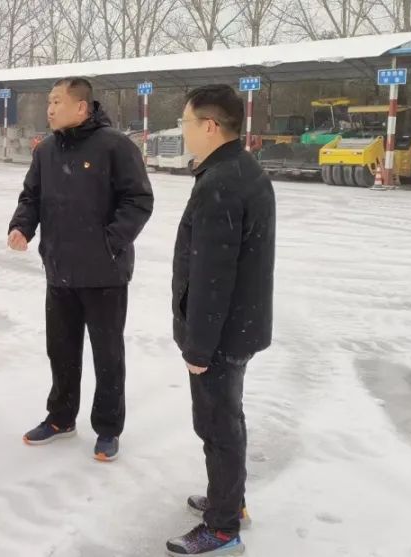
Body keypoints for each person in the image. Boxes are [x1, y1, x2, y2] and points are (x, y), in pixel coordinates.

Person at [8, 77, 153, 462]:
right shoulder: (46, 150)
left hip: (105, 274)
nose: (50, 108)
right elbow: (31, 196)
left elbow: (138, 199)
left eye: (57, 101)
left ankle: (108, 428)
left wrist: (109, 242)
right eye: (49, 101)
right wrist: (22, 227)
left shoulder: (115, 146)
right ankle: (60, 418)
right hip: (59, 271)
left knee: (108, 356)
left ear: (82, 107)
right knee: (61, 351)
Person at [165, 85, 276, 555]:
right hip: (239, 325)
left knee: (217, 425)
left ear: (210, 126)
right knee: (226, 419)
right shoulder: (241, 168)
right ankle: (231, 500)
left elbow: (212, 275)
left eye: (186, 123)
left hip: (221, 333)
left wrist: (198, 347)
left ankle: (223, 528)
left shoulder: (221, 182)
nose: (183, 131)